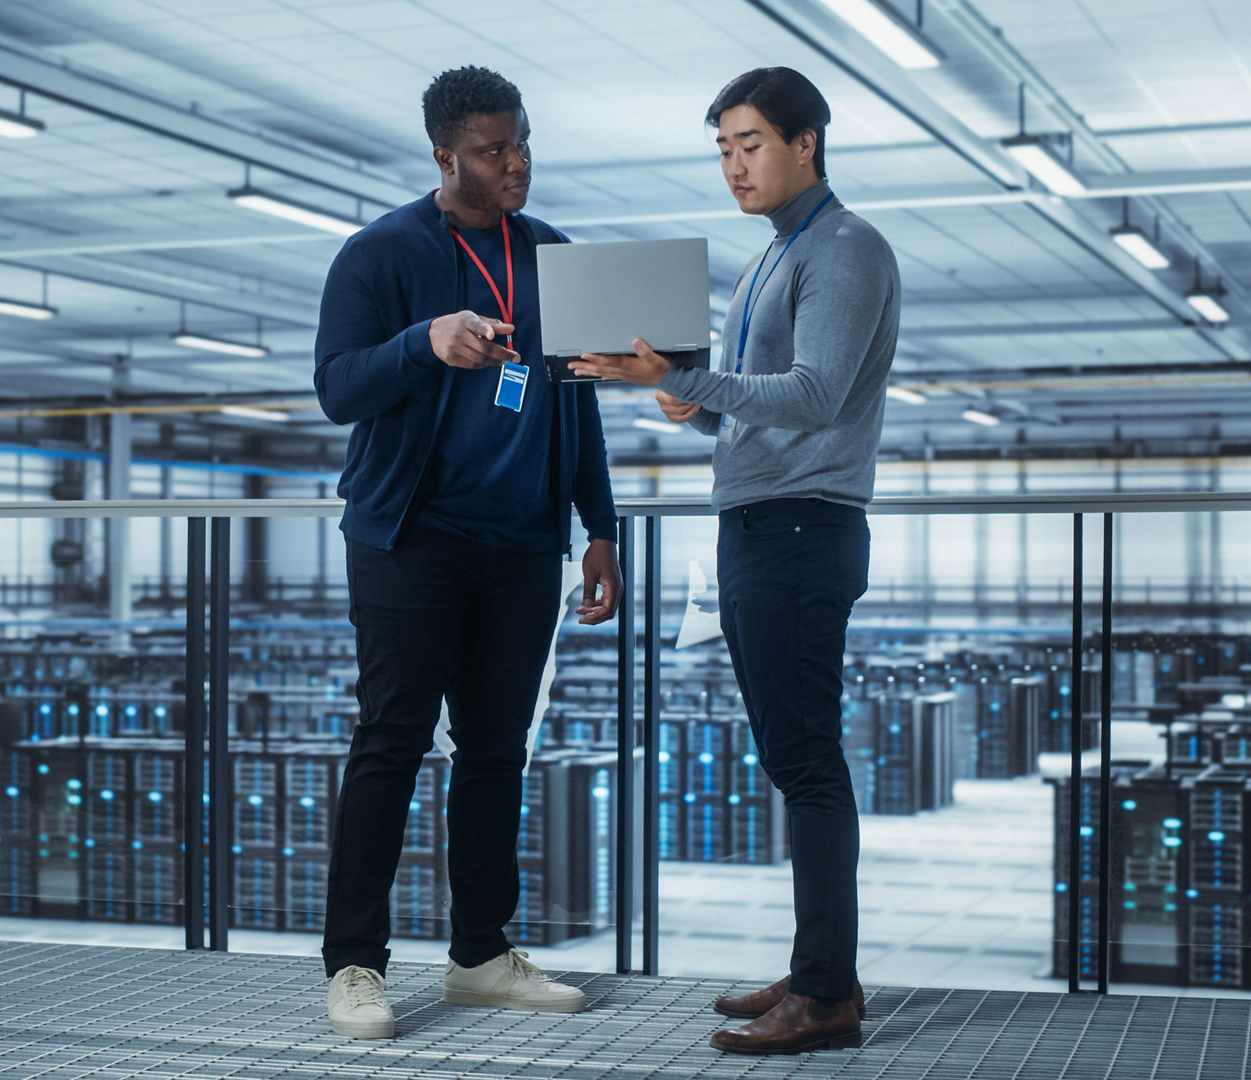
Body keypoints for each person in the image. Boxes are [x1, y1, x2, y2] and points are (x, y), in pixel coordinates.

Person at [570, 66, 900, 1055]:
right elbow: (752, 398)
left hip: (802, 529)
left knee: (807, 762)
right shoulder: (772, 257)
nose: (733, 165)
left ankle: (828, 996)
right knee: (791, 759)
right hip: (762, 524)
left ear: (807, 142)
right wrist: (692, 400)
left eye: (749, 143)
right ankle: (814, 972)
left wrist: (680, 374)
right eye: (721, 148)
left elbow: (817, 395)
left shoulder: (842, 249)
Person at [313, 65, 623, 1041]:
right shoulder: (379, 257)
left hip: (523, 547)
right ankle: (355, 965)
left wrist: (599, 529)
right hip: (411, 541)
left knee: (495, 752)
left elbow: (580, 406)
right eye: (495, 151)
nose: (517, 164)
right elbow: (336, 388)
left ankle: (481, 956)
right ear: (445, 156)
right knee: (392, 745)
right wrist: (424, 342)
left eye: (524, 144)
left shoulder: (556, 257)